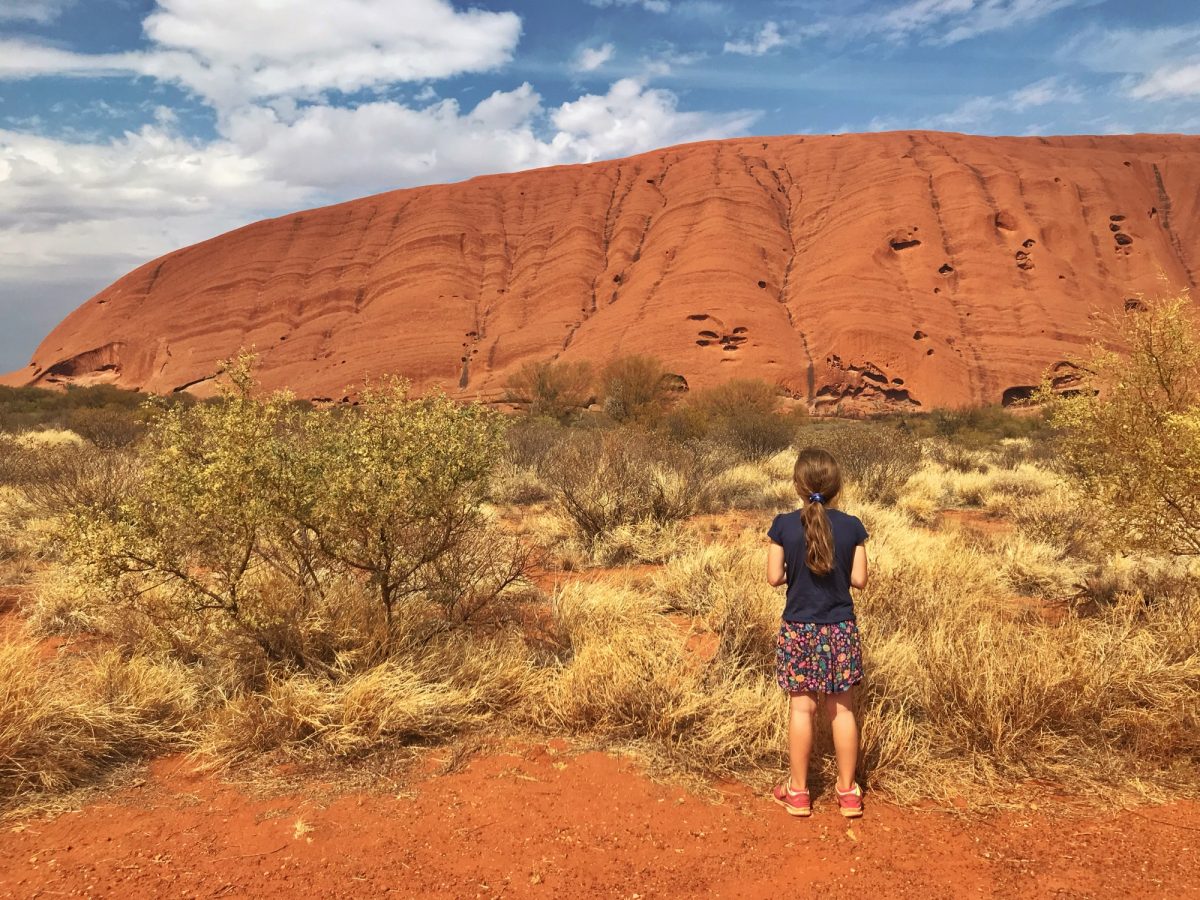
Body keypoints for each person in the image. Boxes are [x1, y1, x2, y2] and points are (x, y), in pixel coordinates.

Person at [765, 447, 869, 818]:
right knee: (841, 710)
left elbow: (774, 577)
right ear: (837, 487)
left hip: (799, 629)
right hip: (840, 628)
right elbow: (859, 580)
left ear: (797, 485)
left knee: (802, 708)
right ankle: (848, 794)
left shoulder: (782, 524)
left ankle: (797, 793)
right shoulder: (853, 526)